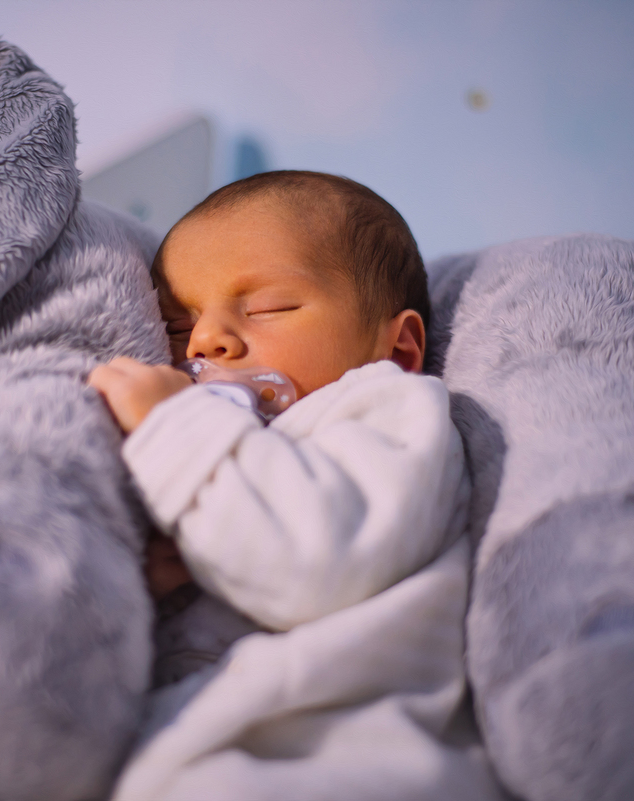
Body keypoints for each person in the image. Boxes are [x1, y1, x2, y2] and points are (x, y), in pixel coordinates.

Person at [89, 171, 501, 801]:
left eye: (268, 308)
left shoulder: (385, 411)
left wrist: (172, 422)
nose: (205, 340)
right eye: (176, 325)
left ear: (397, 350)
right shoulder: (228, 447)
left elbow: (315, 560)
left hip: (344, 763)